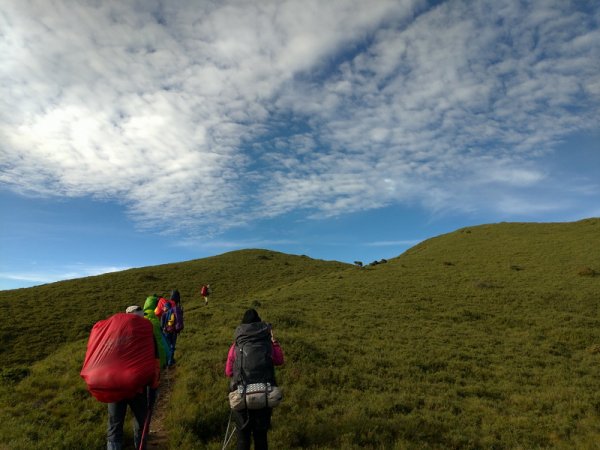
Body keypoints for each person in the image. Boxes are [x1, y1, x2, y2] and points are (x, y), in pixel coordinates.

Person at [225, 309, 284, 450]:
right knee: (261, 438)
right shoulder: (267, 343)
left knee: (243, 439)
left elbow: (228, 372)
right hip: (264, 396)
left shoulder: (236, 346)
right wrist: (274, 342)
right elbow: (279, 360)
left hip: (242, 396)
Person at [106, 306, 160, 450]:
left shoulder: (113, 334)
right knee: (141, 422)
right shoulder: (147, 335)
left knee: (114, 426)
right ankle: (140, 446)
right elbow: (154, 361)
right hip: (138, 387)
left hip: (115, 386)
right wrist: (153, 386)